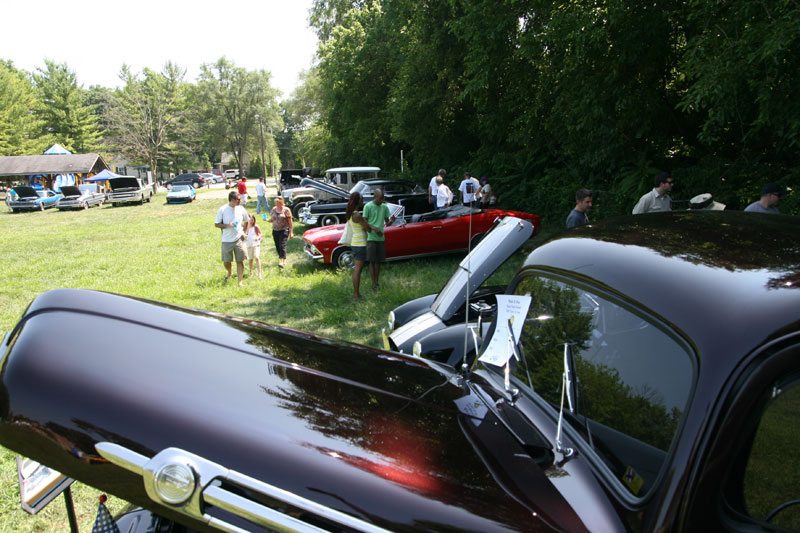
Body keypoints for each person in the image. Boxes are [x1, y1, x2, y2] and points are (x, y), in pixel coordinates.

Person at [363, 189, 395, 291]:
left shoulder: (384, 207)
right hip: (371, 238)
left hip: (381, 238)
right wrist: (374, 228)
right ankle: (373, 283)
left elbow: (387, 223)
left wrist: (391, 221)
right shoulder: (368, 206)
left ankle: (377, 281)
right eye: (380, 198)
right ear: (375, 196)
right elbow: (364, 222)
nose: (382, 200)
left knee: (378, 261)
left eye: (383, 198)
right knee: (372, 261)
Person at [214, 191, 249, 287]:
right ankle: (229, 272)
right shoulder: (222, 209)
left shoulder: (241, 209)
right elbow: (216, 224)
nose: (240, 201)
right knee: (226, 261)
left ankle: (240, 281)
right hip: (226, 240)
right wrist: (228, 225)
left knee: (240, 260)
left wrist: (245, 233)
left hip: (239, 238)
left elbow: (247, 221)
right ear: (232, 200)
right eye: (238, 199)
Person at [345, 192, 369, 301]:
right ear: (358, 201)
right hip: (360, 244)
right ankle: (356, 295)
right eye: (361, 199)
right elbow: (367, 229)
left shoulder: (352, 213)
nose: (362, 201)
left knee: (357, 269)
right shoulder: (357, 215)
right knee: (357, 270)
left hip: (355, 243)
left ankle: (356, 294)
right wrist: (366, 221)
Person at [268, 196, 294, 268]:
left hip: (284, 229)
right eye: (275, 202)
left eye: (277, 202)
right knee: (277, 245)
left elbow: (290, 222)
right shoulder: (274, 209)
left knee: (282, 245)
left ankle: (282, 261)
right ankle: (283, 258)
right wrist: (267, 220)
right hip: (275, 230)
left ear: (281, 202)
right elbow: (272, 219)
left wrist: (291, 232)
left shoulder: (286, 210)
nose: (276, 204)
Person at [245, 213, 263, 280]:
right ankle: (251, 272)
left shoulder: (256, 226)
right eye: (249, 220)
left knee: (257, 257)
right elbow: (245, 234)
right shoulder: (246, 227)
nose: (251, 221)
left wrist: (258, 237)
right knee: (250, 259)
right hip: (248, 245)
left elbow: (261, 233)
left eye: (252, 220)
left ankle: (259, 274)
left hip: (256, 244)